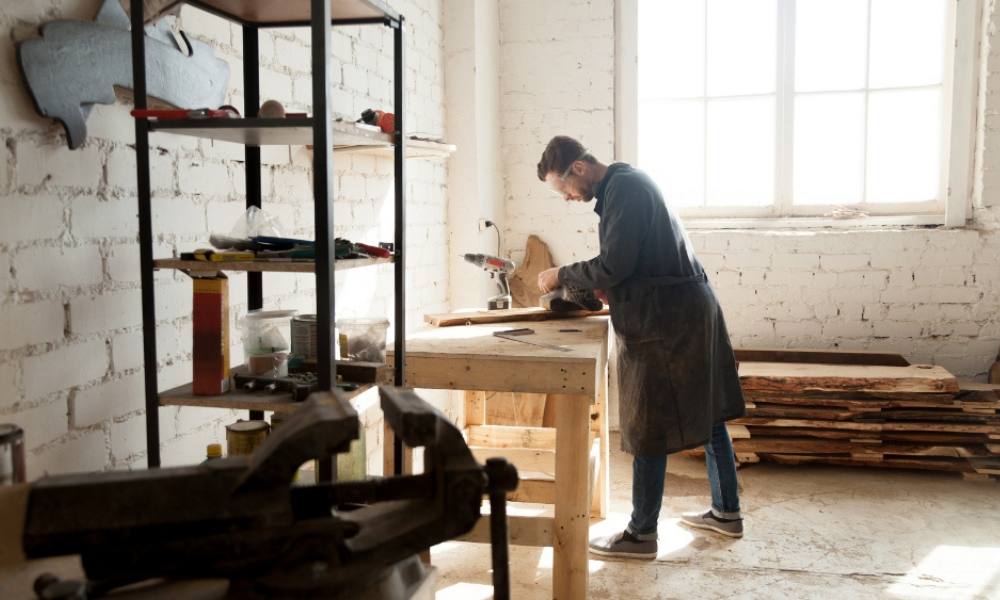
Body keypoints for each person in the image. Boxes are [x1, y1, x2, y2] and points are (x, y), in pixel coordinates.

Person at [536, 136, 747, 559]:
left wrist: (562, 273)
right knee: (705, 412)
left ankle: (641, 534)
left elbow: (615, 263)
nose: (567, 198)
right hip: (685, 309)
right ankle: (727, 512)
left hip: (669, 318)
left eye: (563, 189)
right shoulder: (624, 185)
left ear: (578, 169)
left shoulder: (624, 189)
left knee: (647, 422)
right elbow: (634, 262)